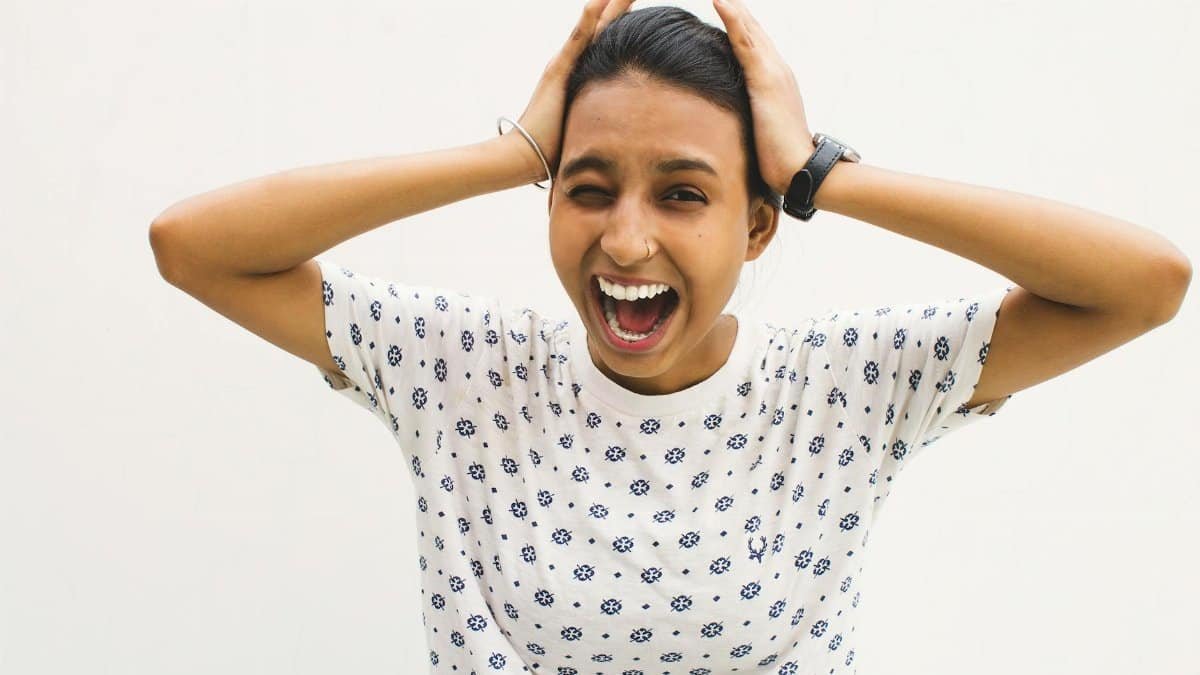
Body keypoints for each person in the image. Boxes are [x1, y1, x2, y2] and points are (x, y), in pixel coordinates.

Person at [148, 0, 1191, 672]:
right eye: (586, 189)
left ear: (757, 224)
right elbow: (193, 247)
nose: (625, 239)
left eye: (683, 194)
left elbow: (1143, 284)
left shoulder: (843, 387)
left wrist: (823, 172)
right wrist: (511, 154)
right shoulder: (462, 369)